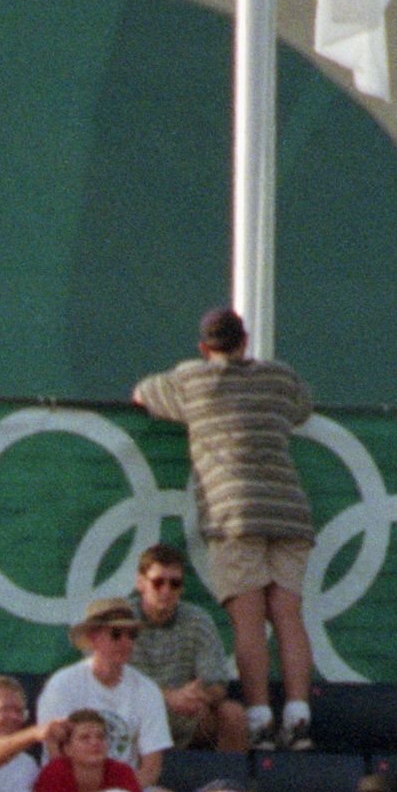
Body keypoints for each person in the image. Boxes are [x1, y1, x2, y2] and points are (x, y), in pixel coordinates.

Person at [132, 311, 314, 745]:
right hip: (290, 509)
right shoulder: (279, 377)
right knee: (287, 614)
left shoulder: (193, 380)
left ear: (203, 347)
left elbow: (142, 393)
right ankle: (299, 713)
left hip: (234, 512)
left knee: (247, 619)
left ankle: (258, 716)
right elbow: (302, 408)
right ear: (245, 341)